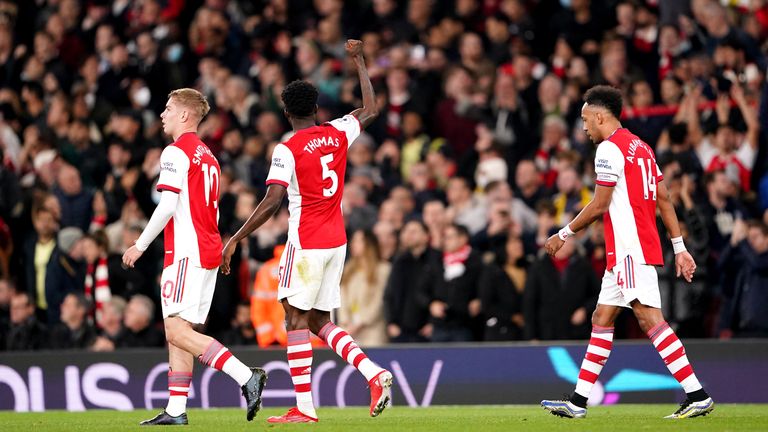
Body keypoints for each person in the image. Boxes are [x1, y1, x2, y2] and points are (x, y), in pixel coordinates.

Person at [220, 40, 391, 424]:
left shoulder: (288, 148)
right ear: (315, 108)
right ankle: (373, 373)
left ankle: (305, 409)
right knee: (317, 320)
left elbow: (272, 200)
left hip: (307, 241)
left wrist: (234, 238)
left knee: (295, 321)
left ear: (285, 112)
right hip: (337, 241)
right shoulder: (337, 132)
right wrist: (360, 60)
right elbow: (371, 108)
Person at [541, 86, 714, 419]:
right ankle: (578, 402)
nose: (584, 127)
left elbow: (600, 204)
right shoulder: (642, 147)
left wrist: (564, 233)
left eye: (585, 119)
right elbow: (664, 199)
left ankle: (697, 394)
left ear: (600, 115)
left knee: (650, 320)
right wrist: (679, 247)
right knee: (601, 318)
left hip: (628, 250)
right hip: (631, 249)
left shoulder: (609, 149)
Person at [122, 88, 266, 426]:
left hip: (186, 251)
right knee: (181, 329)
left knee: (174, 330)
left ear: (185, 115)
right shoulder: (209, 156)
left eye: (169, 108)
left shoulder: (175, 152)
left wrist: (140, 244)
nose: (163, 114)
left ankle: (247, 376)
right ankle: (175, 409)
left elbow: (168, 205)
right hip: (207, 249)